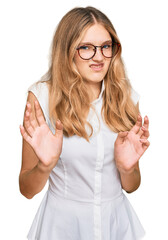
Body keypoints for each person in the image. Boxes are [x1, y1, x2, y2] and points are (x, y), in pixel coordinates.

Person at [19, 6, 150, 240]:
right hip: (61, 228)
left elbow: (132, 185)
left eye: (105, 46)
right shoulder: (42, 97)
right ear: (67, 50)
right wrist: (45, 166)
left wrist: (126, 168)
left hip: (116, 226)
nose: (99, 57)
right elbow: (26, 190)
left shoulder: (126, 97)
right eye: (86, 48)